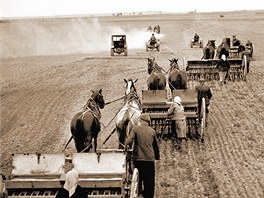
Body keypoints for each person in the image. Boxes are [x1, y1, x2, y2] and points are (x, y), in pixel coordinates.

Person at [125, 113, 160, 198]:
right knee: (149, 180)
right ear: (148, 122)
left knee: (139, 177)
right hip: (149, 159)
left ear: (140, 121)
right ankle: (148, 195)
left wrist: (126, 145)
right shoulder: (152, 131)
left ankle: (139, 192)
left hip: (138, 158)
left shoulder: (135, 129)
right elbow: (156, 146)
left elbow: (129, 141)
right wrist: (157, 156)